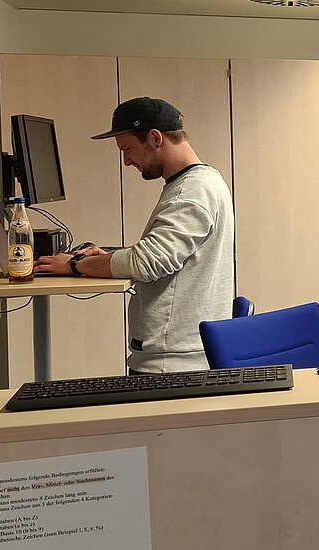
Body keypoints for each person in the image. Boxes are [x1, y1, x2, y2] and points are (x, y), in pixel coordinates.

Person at [35, 97, 234, 374]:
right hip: (181, 355)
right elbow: (166, 253)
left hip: (171, 364)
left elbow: (147, 262)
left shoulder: (191, 192)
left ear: (155, 138)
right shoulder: (204, 181)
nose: (127, 161)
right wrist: (109, 258)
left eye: (128, 149)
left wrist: (74, 264)